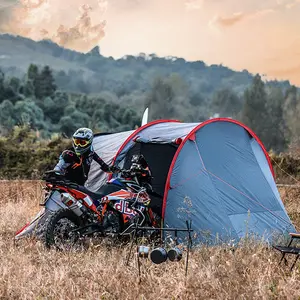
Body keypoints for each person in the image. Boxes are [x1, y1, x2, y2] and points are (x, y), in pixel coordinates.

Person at [54, 127, 119, 185]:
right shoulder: (68, 154)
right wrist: (57, 175)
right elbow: (58, 168)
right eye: (77, 142)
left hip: (80, 187)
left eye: (82, 143)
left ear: (89, 142)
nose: (78, 146)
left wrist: (115, 170)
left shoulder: (91, 153)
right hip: (66, 186)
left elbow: (104, 166)